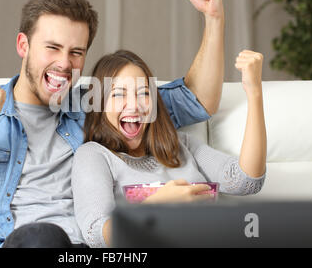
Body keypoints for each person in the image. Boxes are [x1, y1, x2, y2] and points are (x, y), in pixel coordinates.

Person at [0, 0, 225, 248]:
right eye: (52, 48)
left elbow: (196, 100)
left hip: (92, 247)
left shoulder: (97, 105)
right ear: (22, 45)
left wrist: (213, 19)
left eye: (76, 52)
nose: (65, 64)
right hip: (27, 242)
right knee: (42, 237)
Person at [72, 49, 267, 248]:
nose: (134, 105)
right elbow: (97, 237)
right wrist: (156, 204)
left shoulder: (182, 145)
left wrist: (254, 93)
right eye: (118, 94)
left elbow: (246, 181)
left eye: (143, 93)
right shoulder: (93, 155)